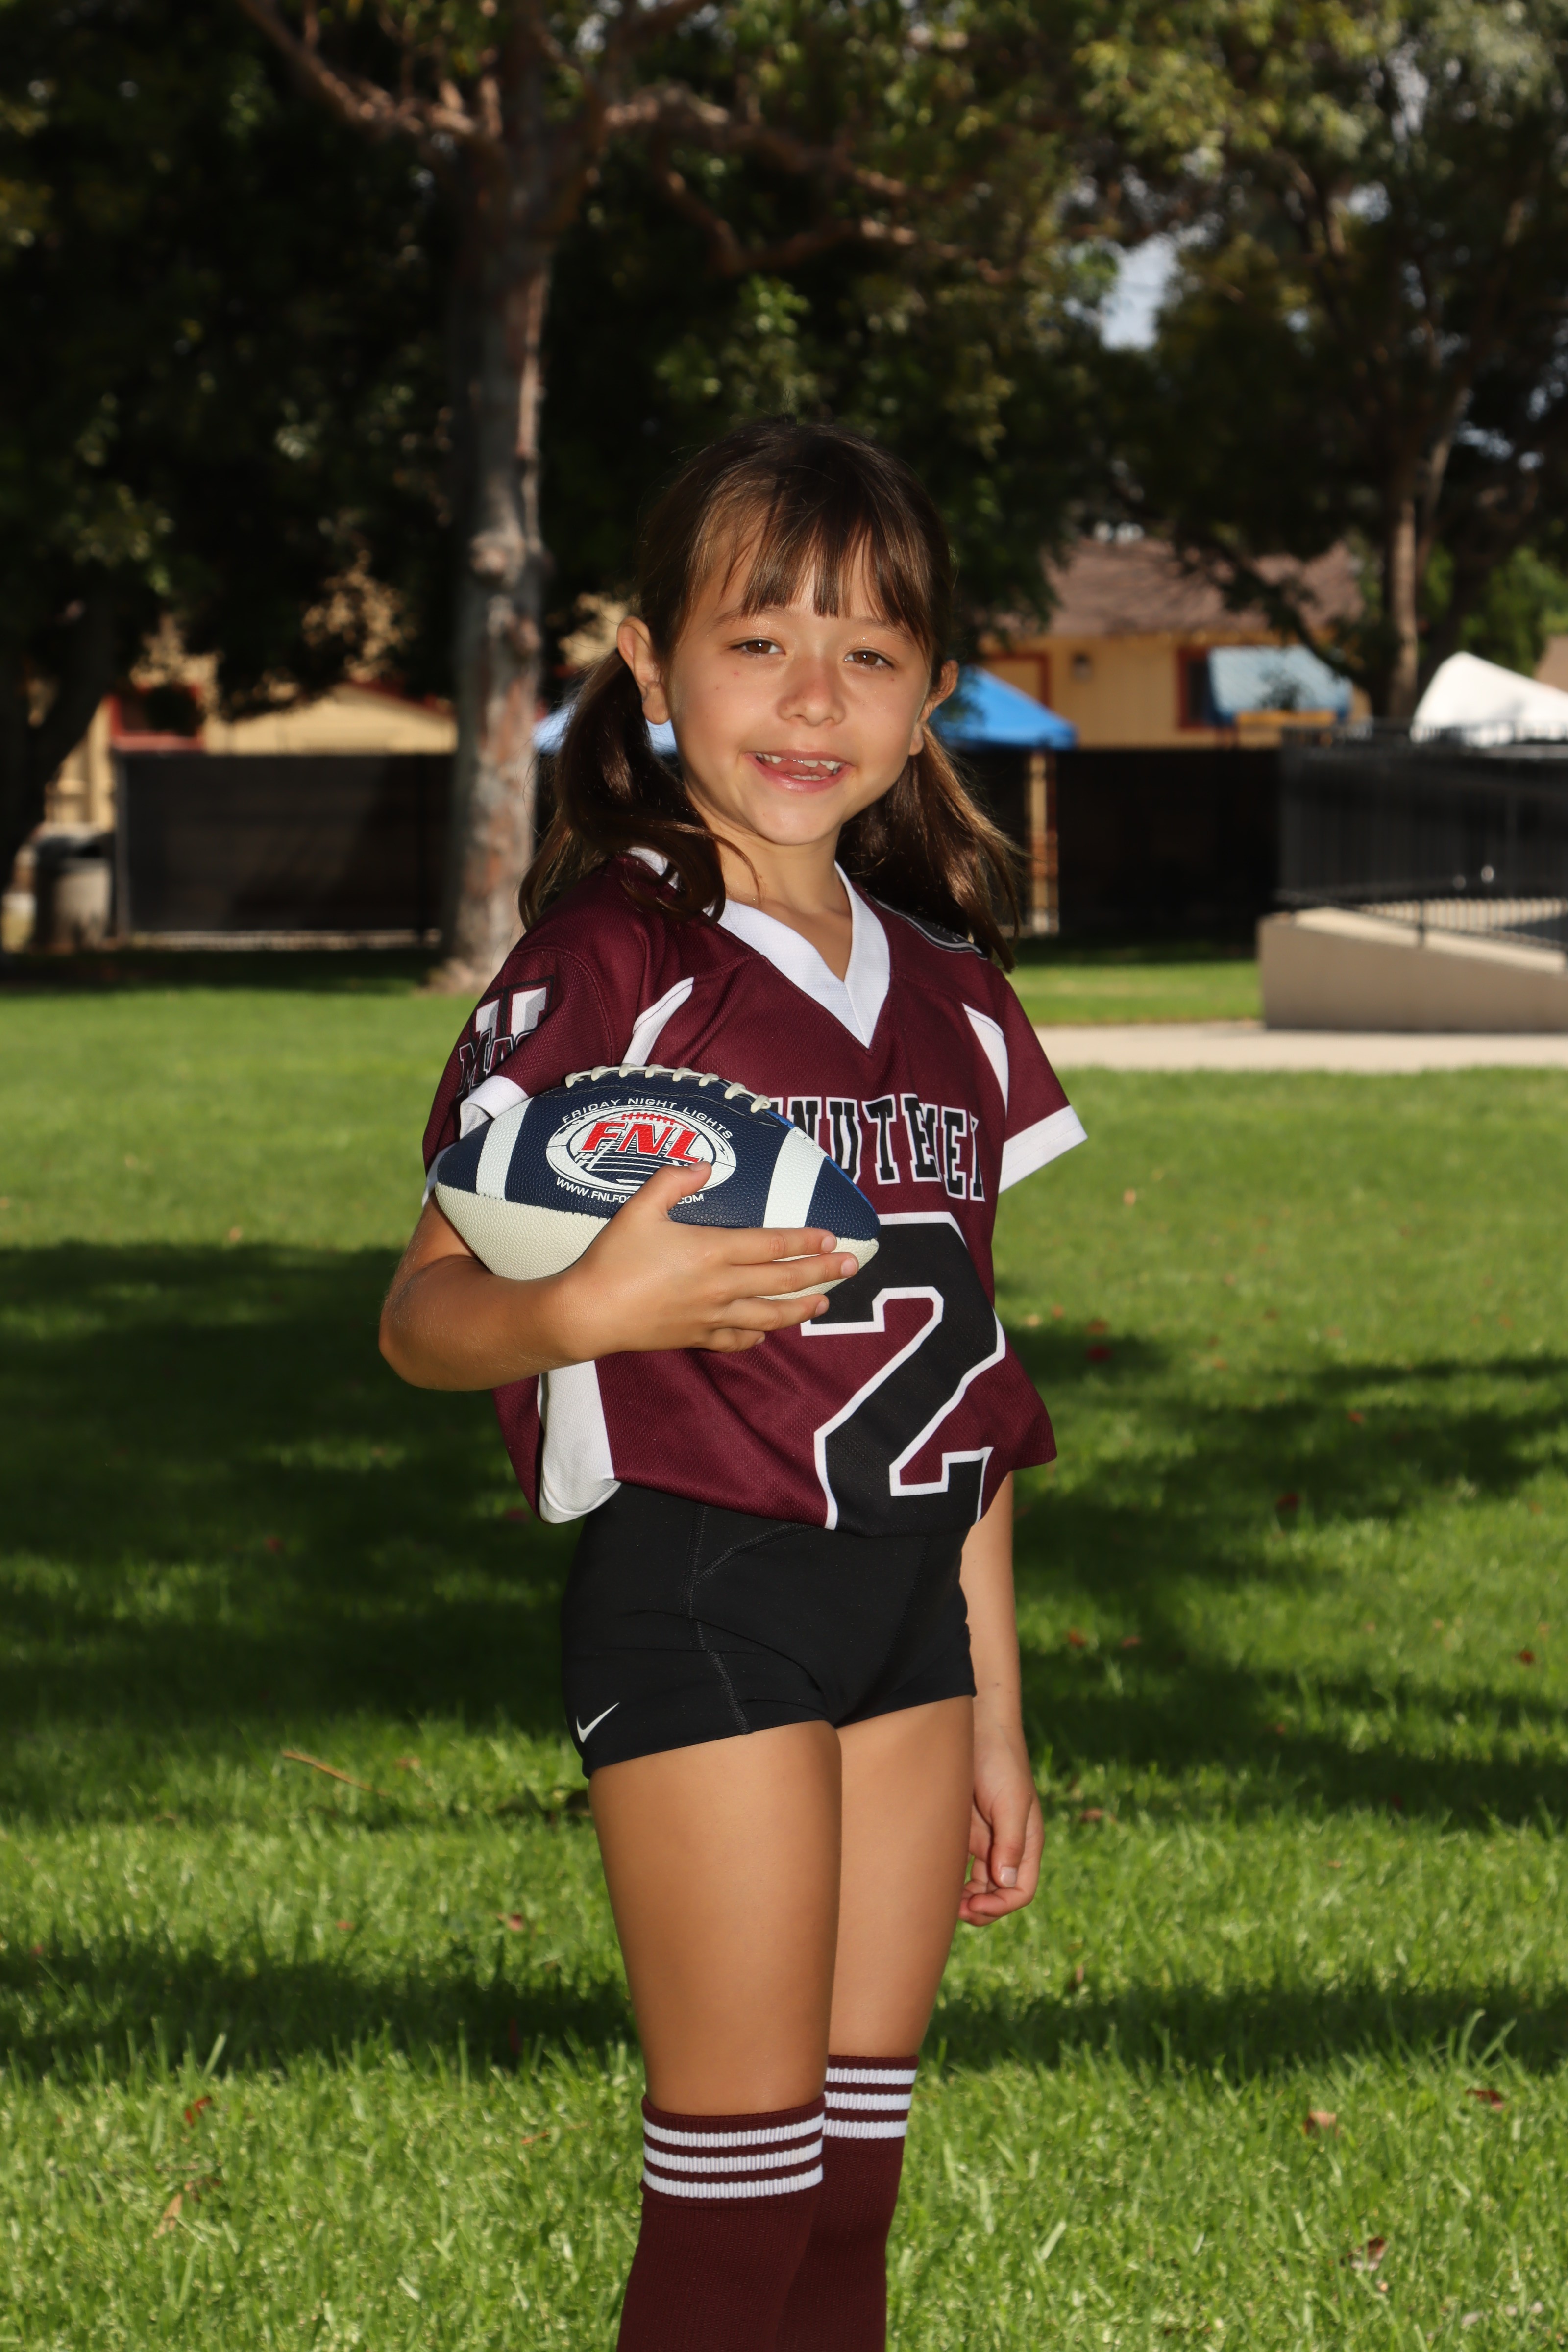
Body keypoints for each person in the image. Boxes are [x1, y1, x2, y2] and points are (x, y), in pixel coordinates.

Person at [379, 418, 1086, 2351]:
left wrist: (995, 1704)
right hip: (706, 1588)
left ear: (931, 695)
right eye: (759, 640)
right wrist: (591, 1305)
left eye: (869, 652)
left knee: (848, 2204)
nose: (813, 697)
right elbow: (421, 1318)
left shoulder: (953, 991)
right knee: (737, 2197)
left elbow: (968, 1380)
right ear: (648, 660)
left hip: (908, 1628)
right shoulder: (614, 959)